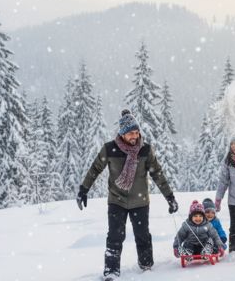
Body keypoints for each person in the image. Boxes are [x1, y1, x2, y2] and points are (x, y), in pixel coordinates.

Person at [77, 109, 179, 281]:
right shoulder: (110, 149)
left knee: (142, 234)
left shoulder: (145, 150)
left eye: (136, 132)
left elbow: (157, 174)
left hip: (140, 201)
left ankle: (146, 266)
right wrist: (83, 189)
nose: (135, 136)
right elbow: (95, 169)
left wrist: (170, 197)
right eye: (131, 132)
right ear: (123, 133)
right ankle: (111, 270)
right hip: (117, 200)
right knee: (115, 236)